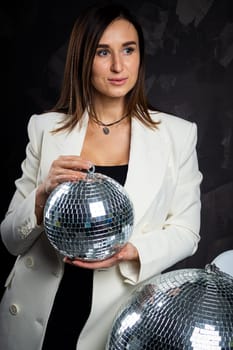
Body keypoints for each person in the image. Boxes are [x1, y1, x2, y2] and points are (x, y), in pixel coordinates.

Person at [0, 2, 202, 349]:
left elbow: (187, 231)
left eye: (128, 49)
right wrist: (40, 198)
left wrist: (131, 251)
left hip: (117, 312)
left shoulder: (177, 135)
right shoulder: (46, 129)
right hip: (37, 308)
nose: (119, 66)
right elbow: (10, 239)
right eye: (102, 52)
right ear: (82, 59)